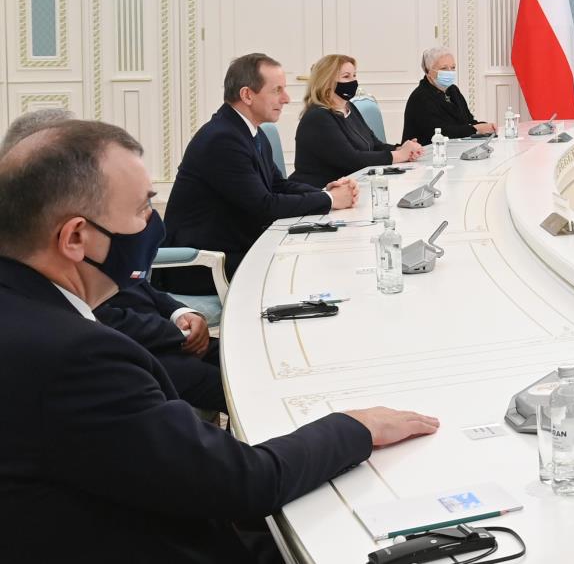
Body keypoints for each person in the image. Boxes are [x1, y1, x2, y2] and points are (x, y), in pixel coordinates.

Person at [0, 119, 437, 563]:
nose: (154, 224)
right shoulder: (76, 358)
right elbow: (240, 484)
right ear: (76, 237)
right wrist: (357, 427)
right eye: (142, 208)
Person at [2, 111, 224, 411]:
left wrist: (179, 312)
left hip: (166, 337)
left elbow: (140, 286)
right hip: (153, 349)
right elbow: (105, 322)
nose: (150, 222)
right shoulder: (82, 350)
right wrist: (177, 334)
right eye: (140, 209)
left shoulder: (100, 258)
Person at [159, 53, 358, 295]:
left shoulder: (249, 131)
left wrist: (325, 192)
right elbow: (264, 206)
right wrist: (330, 200)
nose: (286, 99)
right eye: (277, 90)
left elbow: (278, 185)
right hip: (205, 265)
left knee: (318, 258)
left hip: (236, 248)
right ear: (247, 95)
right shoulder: (222, 139)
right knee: (310, 270)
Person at [291, 54, 423, 187]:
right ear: (326, 82)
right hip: (320, 191)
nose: (353, 81)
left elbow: (374, 144)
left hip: (352, 184)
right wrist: (400, 155)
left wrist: (402, 149)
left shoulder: (348, 107)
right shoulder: (318, 117)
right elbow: (352, 160)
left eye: (354, 75)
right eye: (346, 76)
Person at [402, 46, 493, 143]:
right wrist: (475, 129)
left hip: (455, 147)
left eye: (453, 67)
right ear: (428, 71)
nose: (450, 72)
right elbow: (440, 132)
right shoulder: (420, 97)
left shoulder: (453, 90)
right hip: (427, 149)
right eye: (444, 68)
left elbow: (468, 121)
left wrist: (485, 127)